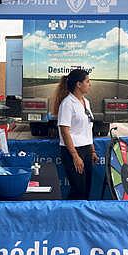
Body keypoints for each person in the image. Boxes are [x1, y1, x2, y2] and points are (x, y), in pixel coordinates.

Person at [52, 68, 99, 199]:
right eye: (87, 81)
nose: (90, 84)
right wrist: (75, 156)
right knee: (79, 189)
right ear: (78, 84)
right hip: (73, 150)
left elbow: (88, 128)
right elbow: (64, 130)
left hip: (86, 149)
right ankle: (68, 216)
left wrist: (92, 150)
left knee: (86, 189)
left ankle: (82, 218)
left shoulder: (86, 102)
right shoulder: (67, 104)